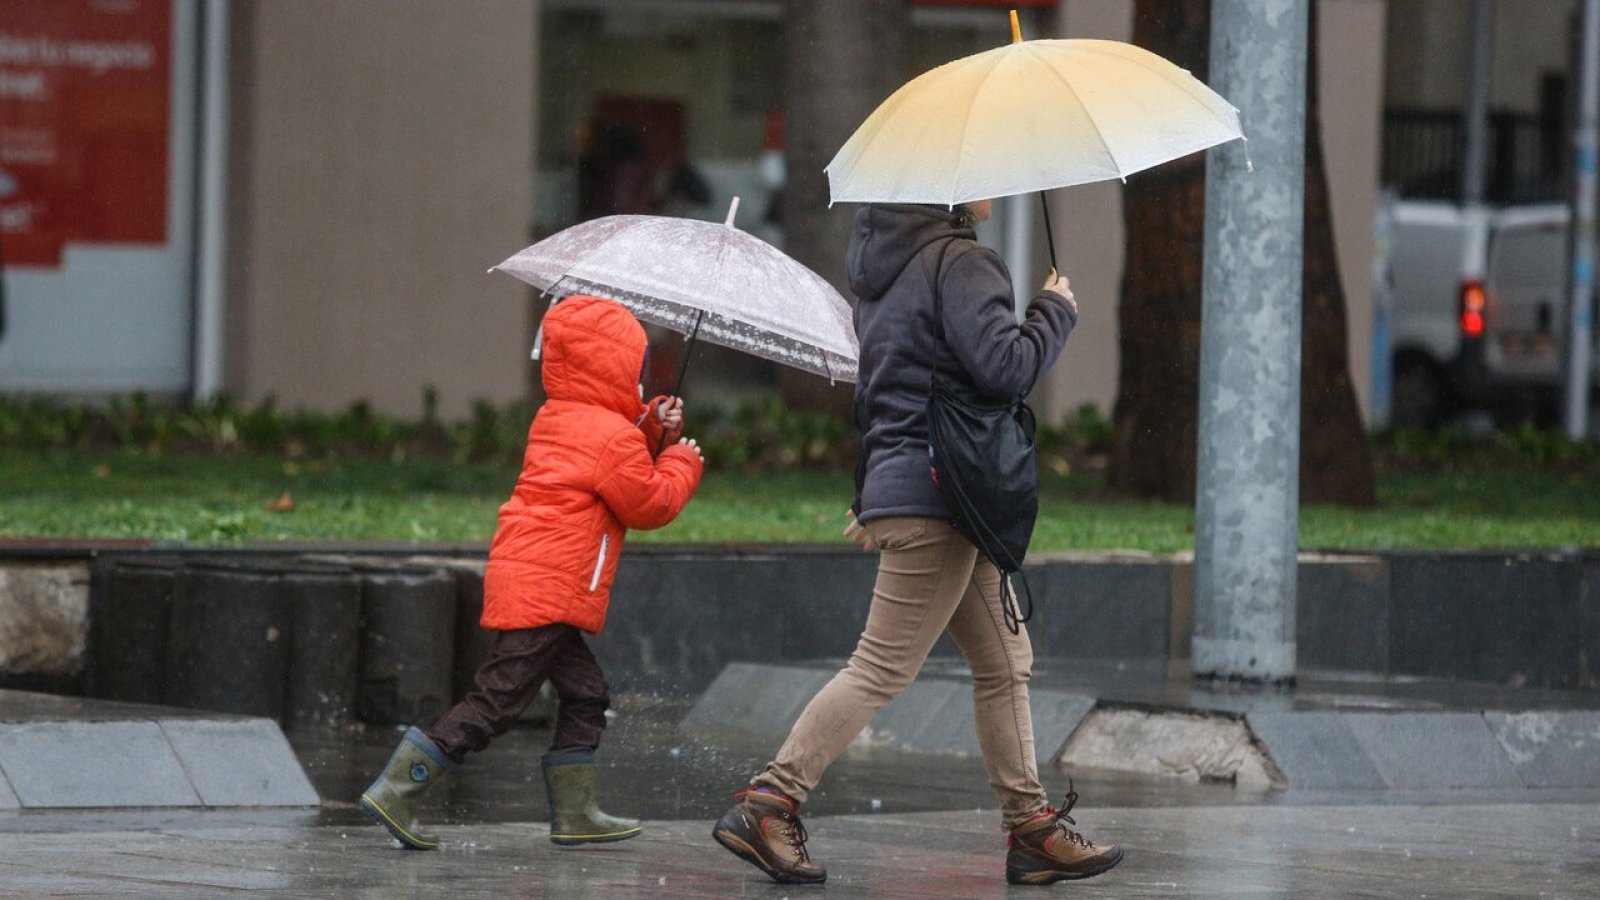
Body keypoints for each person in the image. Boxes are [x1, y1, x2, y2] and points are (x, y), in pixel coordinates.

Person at [711, 201, 1122, 886]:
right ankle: (771, 800)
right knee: (881, 668)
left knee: (1004, 661)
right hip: (943, 493)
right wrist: (1054, 311)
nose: (996, 190)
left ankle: (1031, 830)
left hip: (930, 491)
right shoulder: (963, 262)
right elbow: (1005, 369)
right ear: (953, 191)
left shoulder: (885, 271)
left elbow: (876, 390)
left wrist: (872, 487)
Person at [360, 295, 704, 850]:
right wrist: (680, 459)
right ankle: (400, 788)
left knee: (587, 693)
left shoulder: (560, 417)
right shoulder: (610, 438)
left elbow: (610, 452)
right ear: (615, 367)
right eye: (636, 370)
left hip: (534, 579)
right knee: (497, 702)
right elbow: (649, 504)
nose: (640, 381)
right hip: (553, 588)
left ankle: (576, 813)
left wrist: (651, 424)